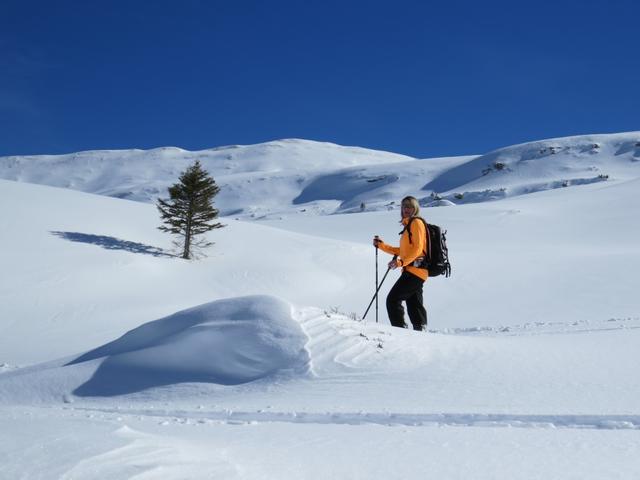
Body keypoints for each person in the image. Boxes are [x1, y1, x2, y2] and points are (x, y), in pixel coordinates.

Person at [372, 196, 428, 331]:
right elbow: (403, 250)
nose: (406, 209)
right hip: (413, 271)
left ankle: (400, 331)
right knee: (414, 304)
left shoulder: (416, 223)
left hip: (415, 271)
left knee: (392, 300)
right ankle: (420, 331)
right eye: (404, 206)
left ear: (415, 209)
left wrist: (400, 262)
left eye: (409, 206)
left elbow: (417, 249)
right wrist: (382, 246)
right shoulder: (408, 225)